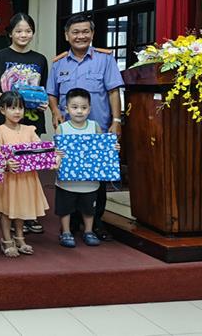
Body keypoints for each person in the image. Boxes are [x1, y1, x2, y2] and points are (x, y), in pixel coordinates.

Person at [47, 13, 124, 240]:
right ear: (66, 35)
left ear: (92, 33)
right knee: (68, 175)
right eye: (75, 32)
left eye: (85, 31)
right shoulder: (59, 63)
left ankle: (96, 223)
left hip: (97, 129)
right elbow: (52, 93)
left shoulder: (105, 59)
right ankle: (70, 223)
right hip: (69, 131)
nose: (80, 36)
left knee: (96, 176)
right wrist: (55, 112)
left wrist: (116, 121)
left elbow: (113, 91)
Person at [0, 13, 49, 235]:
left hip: (31, 121)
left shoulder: (40, 59)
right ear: (10, 33)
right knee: (8, 170)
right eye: (19, 31)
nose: (24, 35)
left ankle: (27, 214)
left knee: (29, 170)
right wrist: (11, 100)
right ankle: (6, 212)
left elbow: (43, 88)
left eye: (28, 31)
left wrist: (42, 102)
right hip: (5, 122)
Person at [53, 88, 119, 248]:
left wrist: (113, 148)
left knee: (89, 209)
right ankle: (66, 232)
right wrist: (56, 154)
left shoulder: (94, 126)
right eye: (74, 107)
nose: (79, 111)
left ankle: (89, 231)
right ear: (66, 108)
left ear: (89, 109)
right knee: (65, 208)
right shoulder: (62, 128)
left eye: (83, 107)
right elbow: (55, 151)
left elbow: (102, 149)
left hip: (90, 182)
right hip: (66, 182)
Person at [0, 91, 50, 258]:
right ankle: (6, 240)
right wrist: (6, 163)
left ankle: (20, 238)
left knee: (21, 208)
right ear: (2, 110)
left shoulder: (29, 130)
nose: (17, 112)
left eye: (20, 108)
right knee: (6, 210)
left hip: (26, 177)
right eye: (12, 108)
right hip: (8, 178)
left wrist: (53, 154)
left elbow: (40, 149)